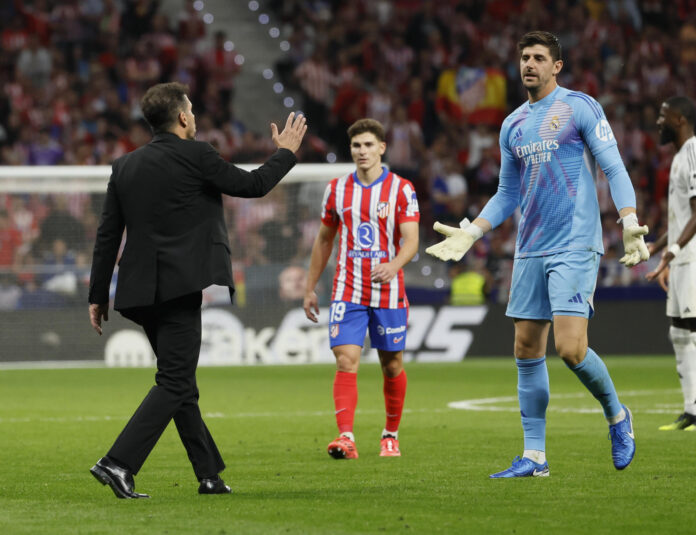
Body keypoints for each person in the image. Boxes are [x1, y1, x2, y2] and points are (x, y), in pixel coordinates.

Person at [426, 31, 649, 477]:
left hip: (574, 241)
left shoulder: (579, 107)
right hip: (529, 248)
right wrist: (473, 232)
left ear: (556, 66)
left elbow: (613, 165)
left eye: (539, 58)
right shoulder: (512, 125)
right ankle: (534, 457)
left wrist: (628, 220)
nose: (529, 64)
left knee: (569, 349)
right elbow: (507, 192)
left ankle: (617, 415)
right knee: (527, 349)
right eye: (524, 56)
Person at [87, 82, 307, 498]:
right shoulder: (196, 154)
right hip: (178, 288)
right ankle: (117, 463)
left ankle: (209, 475)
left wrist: (97, 295)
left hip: (137, 293)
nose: (195, 115)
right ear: (183, 117)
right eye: (191, 108)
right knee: (174, 382)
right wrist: (286, 153)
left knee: (180, 381)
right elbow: (253, 185)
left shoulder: (124, 166)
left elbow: (107, 234)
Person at [303, 118, 419, 460]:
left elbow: (411, 240)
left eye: (368, 145)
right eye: (356, 146)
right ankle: (346, 437)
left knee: (392, 365)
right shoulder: (337, 190)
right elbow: (324, 239)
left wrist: (394, 265)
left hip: (388, 292)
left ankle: (390, 434)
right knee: (346, 359)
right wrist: (310, 287)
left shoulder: (401, 189)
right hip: (347, 289)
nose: (362, 151)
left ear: (381, 148)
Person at [646, 96, 696, 432]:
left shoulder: (694, 156)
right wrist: (658, 246)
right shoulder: (681, 156)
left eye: (664, 117)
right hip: (683, 256)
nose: (659, 122)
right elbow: (681, 220)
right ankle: (692, 409)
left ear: (679, 119)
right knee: (679, 331)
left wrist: (672, 251)